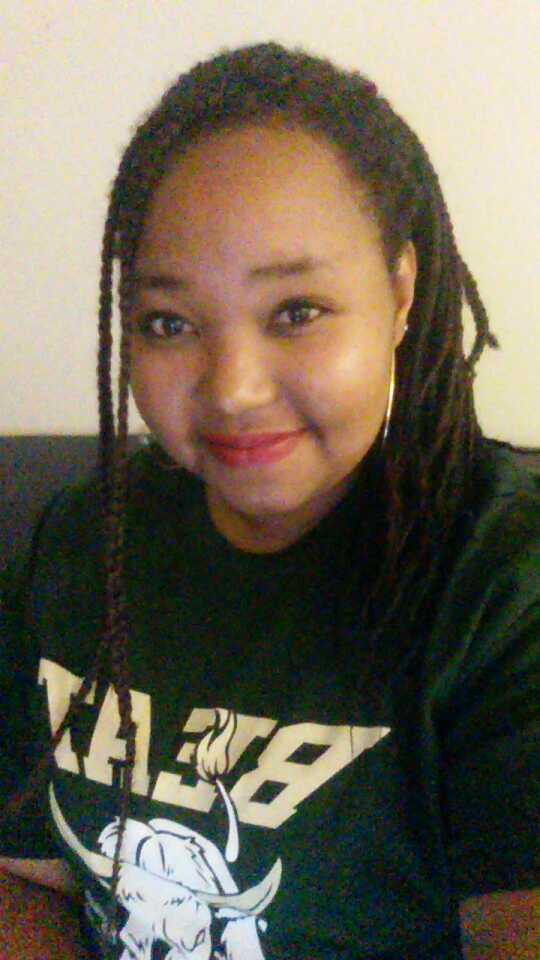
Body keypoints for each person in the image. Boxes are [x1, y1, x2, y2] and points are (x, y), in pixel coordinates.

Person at [0, 41, 539, 960]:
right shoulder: (82, 546)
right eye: (170, 322)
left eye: (296, 311)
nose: (233, 388)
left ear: (399, 292)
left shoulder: (501, 585)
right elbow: (22, 876)